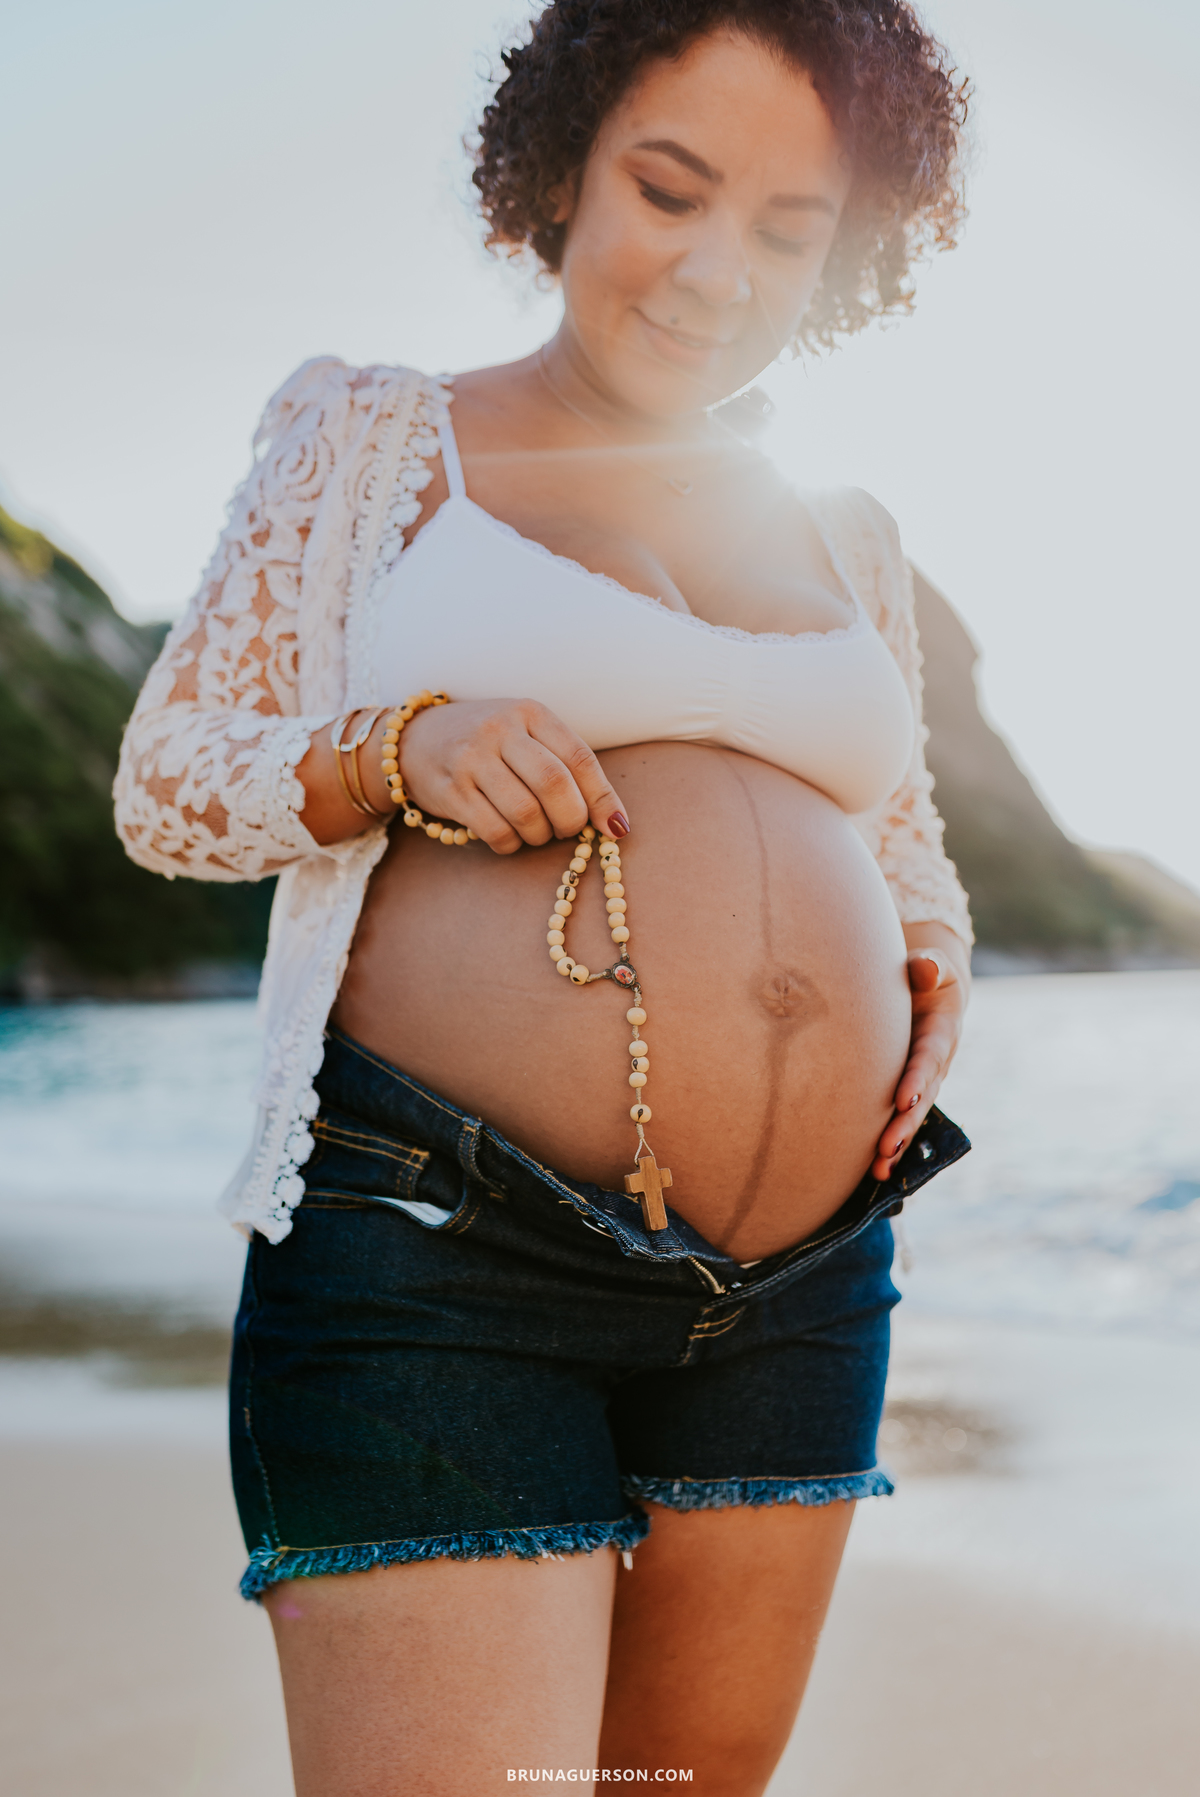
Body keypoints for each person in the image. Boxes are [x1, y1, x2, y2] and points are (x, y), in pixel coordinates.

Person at [116, 3, 974, 1790]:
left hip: (804, 1285)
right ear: (560, 172)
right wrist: (393, 748)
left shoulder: (850, 531)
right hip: (445, 1264)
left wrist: (928, 960)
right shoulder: (371, 441)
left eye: (788, 229)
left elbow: (900, 843)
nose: (715, 270)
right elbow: (169, 782)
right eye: (669, 190)